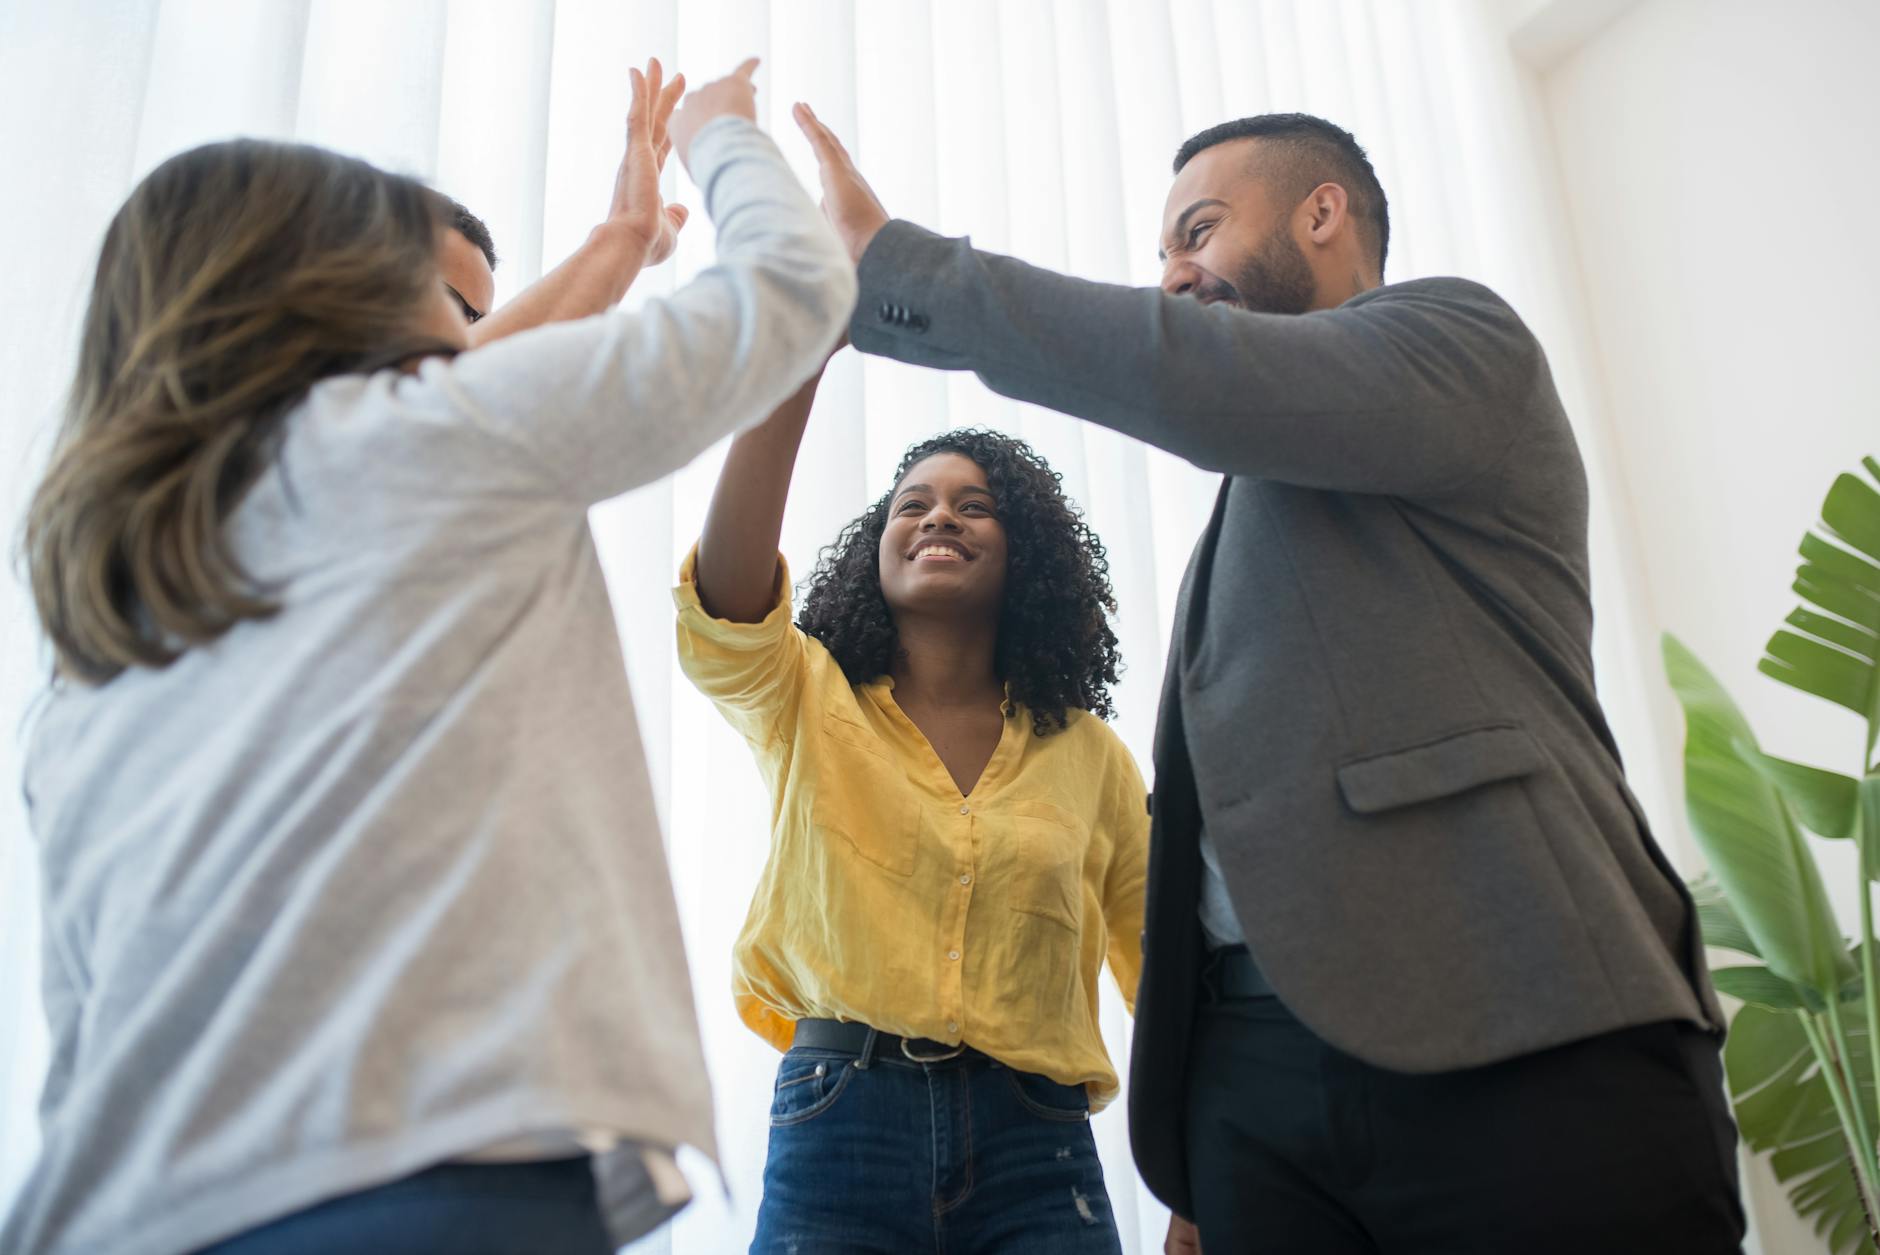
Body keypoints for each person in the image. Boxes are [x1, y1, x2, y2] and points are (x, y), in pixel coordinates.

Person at [790, 104, 1745, 1255]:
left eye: (1197, 232)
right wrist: (1207, 1130)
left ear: (1321, 212)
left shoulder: (1462, 342)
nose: (1171, 276)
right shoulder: (1247, 508)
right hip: (1258, 1090)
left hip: (1518, 1019)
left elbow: (1191, 373)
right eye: (1159, 253)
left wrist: (899, 268)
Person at [3, 57, 853, 1255]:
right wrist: (722, 135)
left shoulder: (102, 639)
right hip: (416, 1180)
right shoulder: (425, 447)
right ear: (337, 294)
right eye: (428, 288)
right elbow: (790, 291)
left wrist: (617, 244)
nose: (470, 332)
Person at [677, 364, 1148, 1252]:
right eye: (913, 504)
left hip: (1038, 1151)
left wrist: (1191, 1176)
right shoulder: (804, 695)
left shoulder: (1093, 757)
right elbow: (724, 606)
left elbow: (1158, 976)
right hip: (838, 1128)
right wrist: (802, 356)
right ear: (878, 545)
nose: (939, 517)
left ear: (1028, 554)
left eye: (975, 507)